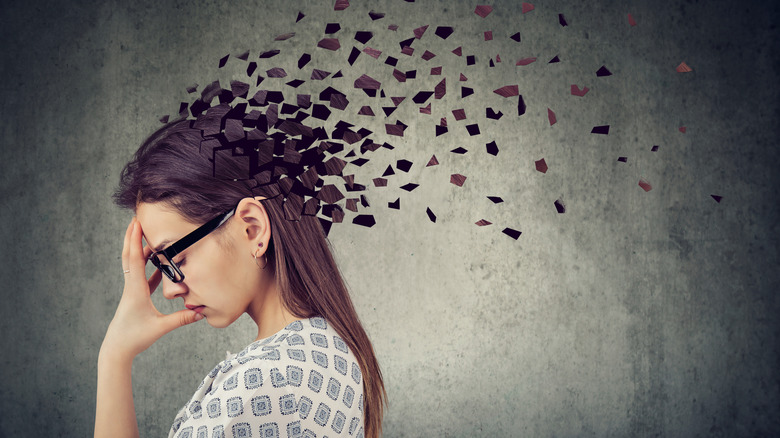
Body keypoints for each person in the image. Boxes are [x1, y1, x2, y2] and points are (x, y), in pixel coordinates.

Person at [95, 118, 386, 438]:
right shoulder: (331, 348)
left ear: (253, 229)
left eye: (176, 259)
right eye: (161, 266)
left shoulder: (262, 385)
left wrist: (113, 356)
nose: (168, 290)